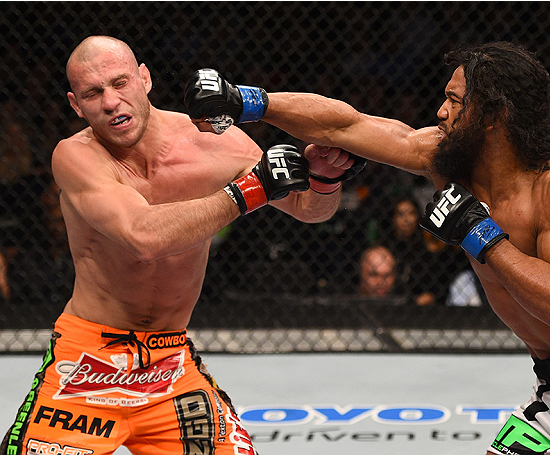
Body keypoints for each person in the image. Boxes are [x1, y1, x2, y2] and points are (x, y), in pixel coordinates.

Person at [186, 41, 550, 454]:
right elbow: (347, 126)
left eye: (454, 101)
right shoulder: (445, 159)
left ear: (493, 116)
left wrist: (480, 235)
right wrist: (247, 101)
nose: (439, 111)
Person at [1, 35, 363, 455]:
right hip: (85, 361)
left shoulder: (215, 144)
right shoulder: (76, 156)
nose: (111, 102)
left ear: (144, 79)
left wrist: (324, 178)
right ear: (75, 105)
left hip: (168, 363)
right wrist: (250, 190)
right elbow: (143, 236)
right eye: (93, 93)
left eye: (120, 83)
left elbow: (308, 210)